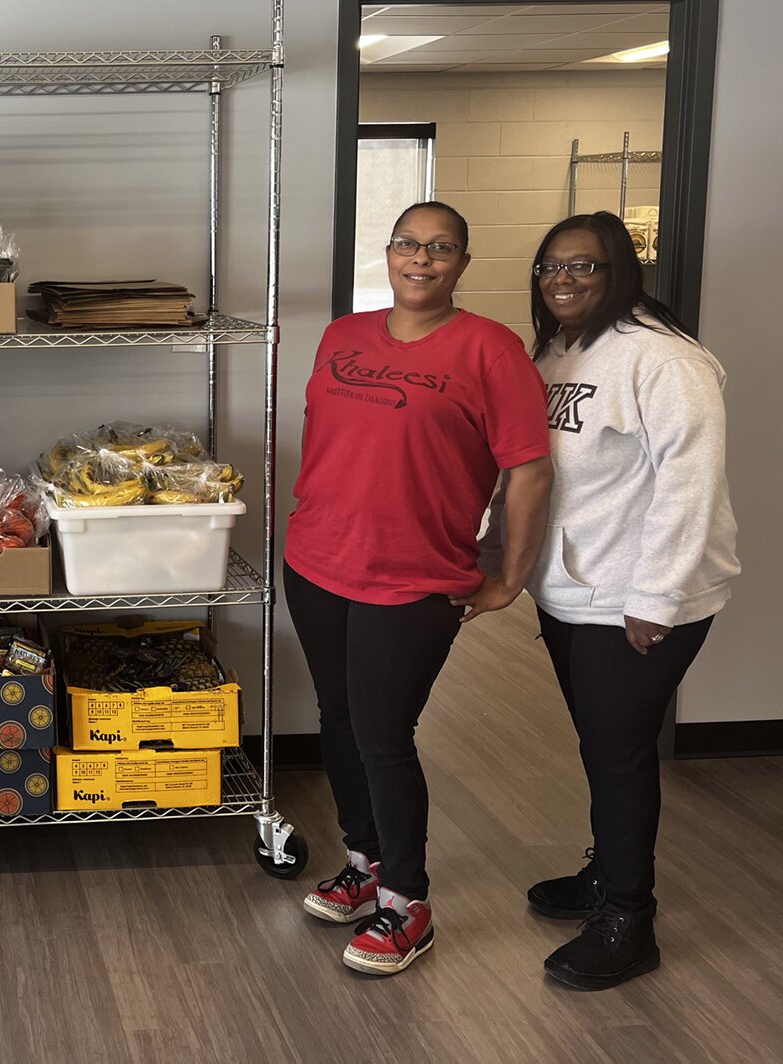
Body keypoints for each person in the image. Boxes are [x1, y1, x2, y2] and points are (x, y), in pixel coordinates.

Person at [285, 201, 553, 976]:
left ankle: (408, 901)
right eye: (408, 244)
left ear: (462, 263)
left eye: (441, 248)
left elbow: (529, 468)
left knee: (382, 735)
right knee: (337, 719)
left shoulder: (490, 351)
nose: (421, 258)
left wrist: (511, 574)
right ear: (390, 252)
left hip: (412, 575)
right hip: (316, 560)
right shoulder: (343, 335)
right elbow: (326, 438)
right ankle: (364, 860)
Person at [501, 211, 738, 990]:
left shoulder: (664, 360)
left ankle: (630, 921)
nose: (563, 280)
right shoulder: (558, 352)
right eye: (550, 267)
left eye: (583, 266)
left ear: (620, 272)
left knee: (620, 753)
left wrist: (657, 597)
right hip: (574, 586)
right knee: (600, 747)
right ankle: (606, 874)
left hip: (637, 597)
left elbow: (689, 483)